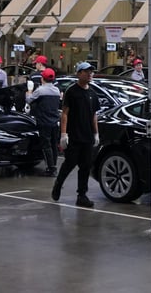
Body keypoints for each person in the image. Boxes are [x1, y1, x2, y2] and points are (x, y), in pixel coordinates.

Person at [52, 62, 100, 206]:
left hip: (87, 136)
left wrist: (96, 133)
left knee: (85, 166)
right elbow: (65, 113)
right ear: (79, 74)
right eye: (86, 72)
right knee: (69, 163)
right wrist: (63, 134)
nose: (90, 74)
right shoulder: (72, 91)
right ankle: (58, 184)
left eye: (91, 72)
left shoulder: (92, 93)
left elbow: (94, 115)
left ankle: (82, 195)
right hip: (74, 135)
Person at [27, 67, 62, 175]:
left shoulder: (40, 90)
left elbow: (29, 100)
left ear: (42, 79)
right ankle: (54, 165)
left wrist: (29, 91)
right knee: (54, 145)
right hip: (55, 121)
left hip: (44, 121)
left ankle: (51, 168)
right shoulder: (56, 91)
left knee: (46, 145)